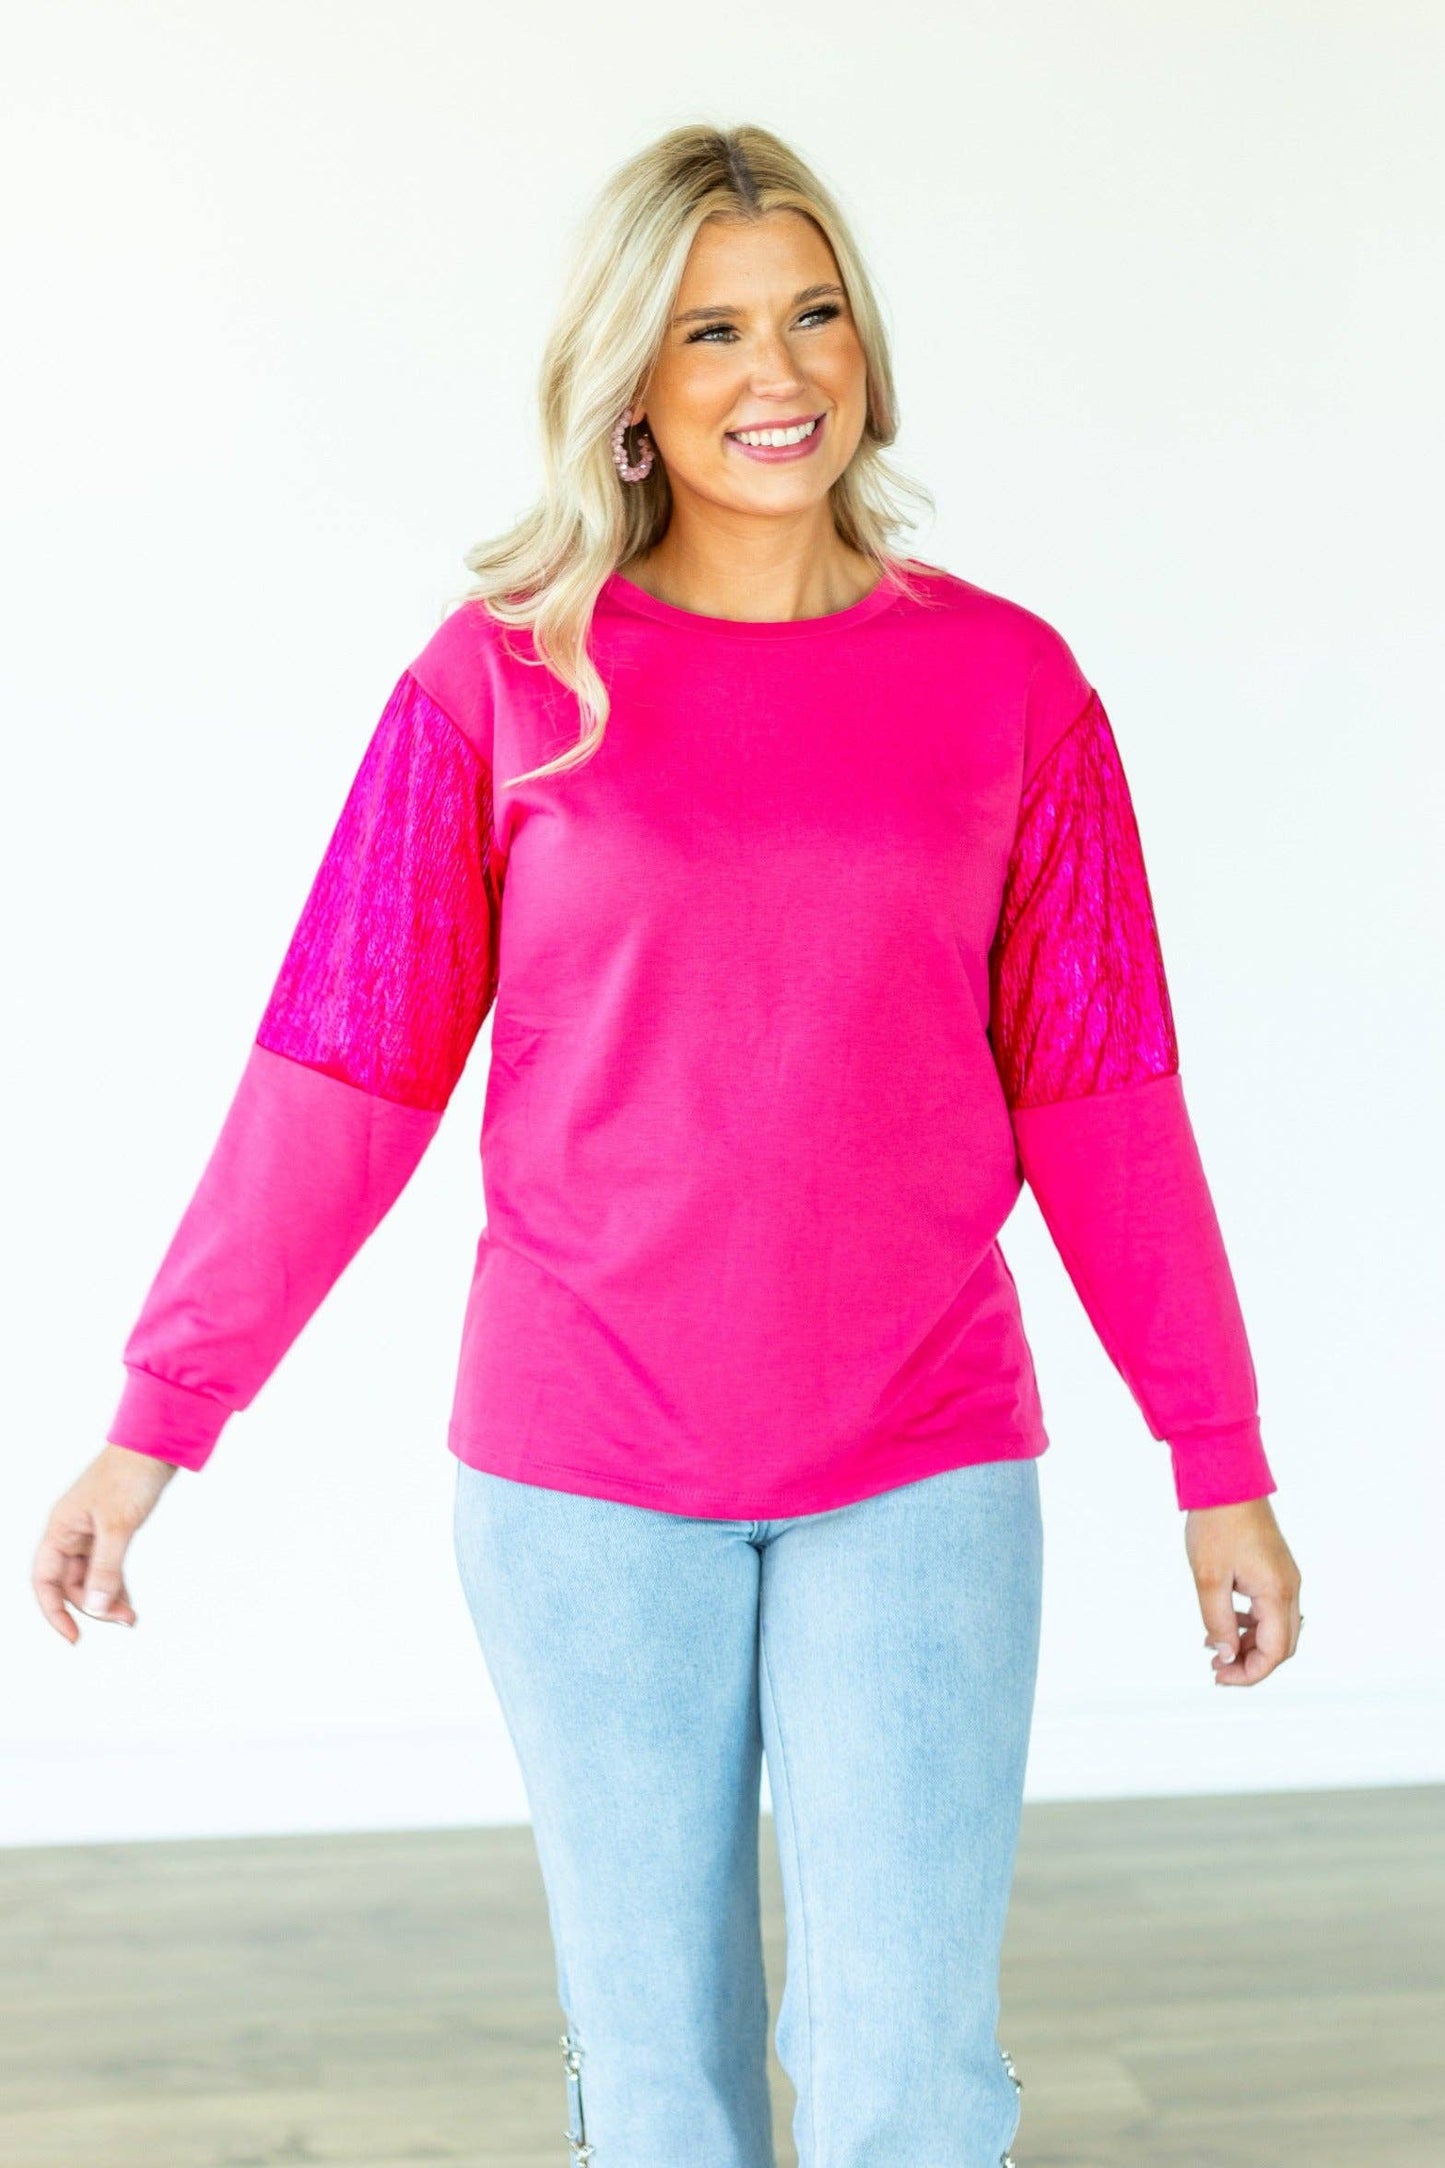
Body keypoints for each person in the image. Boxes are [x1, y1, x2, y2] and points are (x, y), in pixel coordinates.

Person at [33, 122, 1303, 2168]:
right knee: (662, 2080)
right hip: (581, 1472)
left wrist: (1216, 1461)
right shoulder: (505, 679)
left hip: (919, 1457)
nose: (774, 371)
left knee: (908, 2065)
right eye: (710, 330)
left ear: (866, 347)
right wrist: (156, 1420)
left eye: (812, 314)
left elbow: (1105, 1103)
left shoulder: (1009, 686)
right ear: (629, 377)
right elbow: (338, 1081)